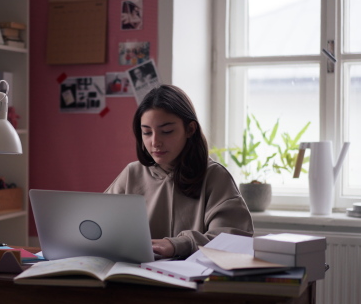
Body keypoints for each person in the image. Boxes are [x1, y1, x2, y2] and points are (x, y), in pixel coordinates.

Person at [105, 85, 253, 259]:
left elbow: (234, 240)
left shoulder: (215, 176)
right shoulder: (132, 174)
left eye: (166, 131)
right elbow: (101, 225)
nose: (155, 142)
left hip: (194, 281)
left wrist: (179, 244)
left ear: (190, 129)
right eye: (146, 132)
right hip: (137, 277)